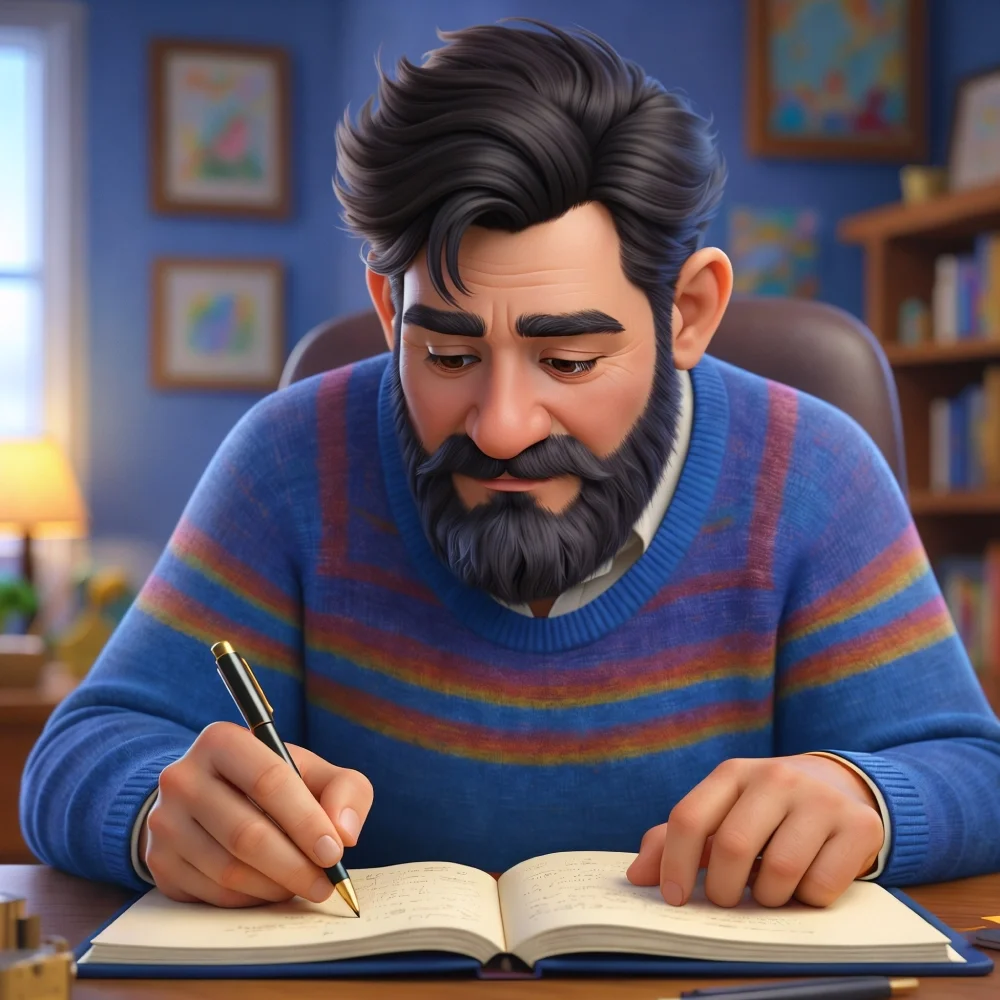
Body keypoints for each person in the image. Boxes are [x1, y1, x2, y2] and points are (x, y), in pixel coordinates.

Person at [21, 20, 1000, 914]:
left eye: (569, 360)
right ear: (386, 308)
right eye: (447, 356)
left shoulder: (817, 472)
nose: (496, 427)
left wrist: (868, 799)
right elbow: (76, 755)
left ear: (689, 314)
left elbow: (974, 769)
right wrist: (157, 813)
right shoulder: (286, 459)